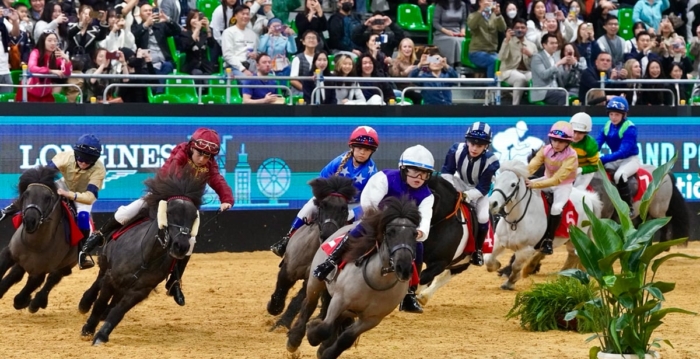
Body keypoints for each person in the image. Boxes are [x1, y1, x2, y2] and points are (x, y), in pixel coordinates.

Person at [81, 128, 234, 306]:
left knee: (190, 241)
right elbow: (172, 173)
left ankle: (174, 280)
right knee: (128, 211)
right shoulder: (180, 153)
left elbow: (217, 180)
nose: (203, 159)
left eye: (207, 156)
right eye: (200, 153)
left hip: (183, 207)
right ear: (192, 147)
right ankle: (99, 235)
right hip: (162, 195)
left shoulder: (210, 165)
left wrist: (227, 199)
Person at [313, 145, 436, 314]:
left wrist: (420, 232)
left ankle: (409, 293)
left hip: (402, 231)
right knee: (357, 231)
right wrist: (382, 222)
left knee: (419, 248)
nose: (419, 177)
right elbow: (370, 203)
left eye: (425, 173)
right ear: (403, 169)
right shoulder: (384, 177)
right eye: (414, 171)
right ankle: (330, 262)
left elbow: (425, 218)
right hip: (376, 221)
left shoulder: (427, 195)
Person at [270, 126, 380, 257]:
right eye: (359, 148)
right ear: (352, 147)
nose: (362, 152)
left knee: (362, 225)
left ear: (372, 152)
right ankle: (287, 239)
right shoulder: (339, 161)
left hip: (354, 205)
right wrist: (326, 201)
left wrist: (354, 213)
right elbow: (321, 181)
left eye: (367, 149)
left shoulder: (372, 171)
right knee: (309, 207)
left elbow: (370, 200)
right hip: (332, 201)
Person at [0, 134, 106, 267]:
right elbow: (44, 174)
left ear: (95, 160)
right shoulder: (65, 157)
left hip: (82, 195)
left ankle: (82, 253)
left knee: (83, 217)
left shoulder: (99, 170)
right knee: (37, 192)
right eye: (80, 158)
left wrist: (69, 195)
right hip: (63, 185)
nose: (83, 163)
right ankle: (7, 210)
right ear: (75, 153)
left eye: (88, 161)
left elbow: (90, 197)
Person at [440, 122, 499, 266]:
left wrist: (465, 196)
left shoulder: (492, 162)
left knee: (483, 217)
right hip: (459, 182)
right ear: (467, 141)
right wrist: (451, 189)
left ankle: (477, 250)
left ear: (486, 146)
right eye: (472, 143)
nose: (474, 148)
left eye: (479, 146)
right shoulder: (456, 150)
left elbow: (483, 189)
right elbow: (446, 173)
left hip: (478, 191)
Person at [526, 121, 578, 255]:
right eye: (554, 140)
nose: (556, 144)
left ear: (568, 143)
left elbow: (556, 180)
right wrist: (521, 175)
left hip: (562, 185)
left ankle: (548, 240)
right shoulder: (546, 149)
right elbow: (532, 166)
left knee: (556, 208)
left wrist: (533, 184)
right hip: (546, 179)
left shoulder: (571, 156)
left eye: (561, 141)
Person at [595, 96, 639, 217]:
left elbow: (623, 152)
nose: (613, 117)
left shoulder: (630, 128)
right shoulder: (607, 126)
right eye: (611, 114)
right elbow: (597, 143)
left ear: (623, 115)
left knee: (619, 175)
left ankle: (628, 207)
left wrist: (603, 159)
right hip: (615, 160)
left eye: (617, 115)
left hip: (630, 159)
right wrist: (590, 154)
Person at [569, 112, 600, 190]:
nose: (575, 136)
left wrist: (581, 169)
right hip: (569, 168)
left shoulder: (590, 145)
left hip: (585, 171)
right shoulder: (565, 140)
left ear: (586, 133)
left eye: (580, 133)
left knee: (578, 190)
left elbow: (595, 166)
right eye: (574, 131)